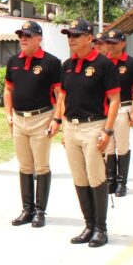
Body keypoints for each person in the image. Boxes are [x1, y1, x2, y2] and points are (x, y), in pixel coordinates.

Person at [56, 18, 119, 248]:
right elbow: (63, 97)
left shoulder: (104, 64)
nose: (71, 39)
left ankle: (101, 228)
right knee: (80, 178)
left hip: (94, 126)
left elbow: (114, 100)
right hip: (72, 126)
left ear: (89, 38)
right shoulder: (67, 65)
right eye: (69, 35)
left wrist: (108, 131)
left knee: (96, 177)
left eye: (75, 35)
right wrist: (63, 126)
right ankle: (88, 225)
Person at [3, 20, 61, 227]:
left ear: (39, 38)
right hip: (19, 119)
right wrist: (7, 113)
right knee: (25, 165)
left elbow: (59, 93)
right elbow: (8, 89)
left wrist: (57, 119)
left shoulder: (51, 62)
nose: (23, 39)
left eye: (28, 36)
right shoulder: (13, 61)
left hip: (42, 118)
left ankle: (40, 211)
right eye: (21, 36)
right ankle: (26, 209)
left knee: (41, 165)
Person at [101, 29, 133, 197]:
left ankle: (122, 182)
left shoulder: (131, 63)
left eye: (114, 43)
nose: (110, 46)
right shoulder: (103, 63)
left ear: (123, 43)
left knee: (122, 145)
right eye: (108, 43)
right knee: (108, 145)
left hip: (124, 108)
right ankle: (110, 180)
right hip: (106, 109)